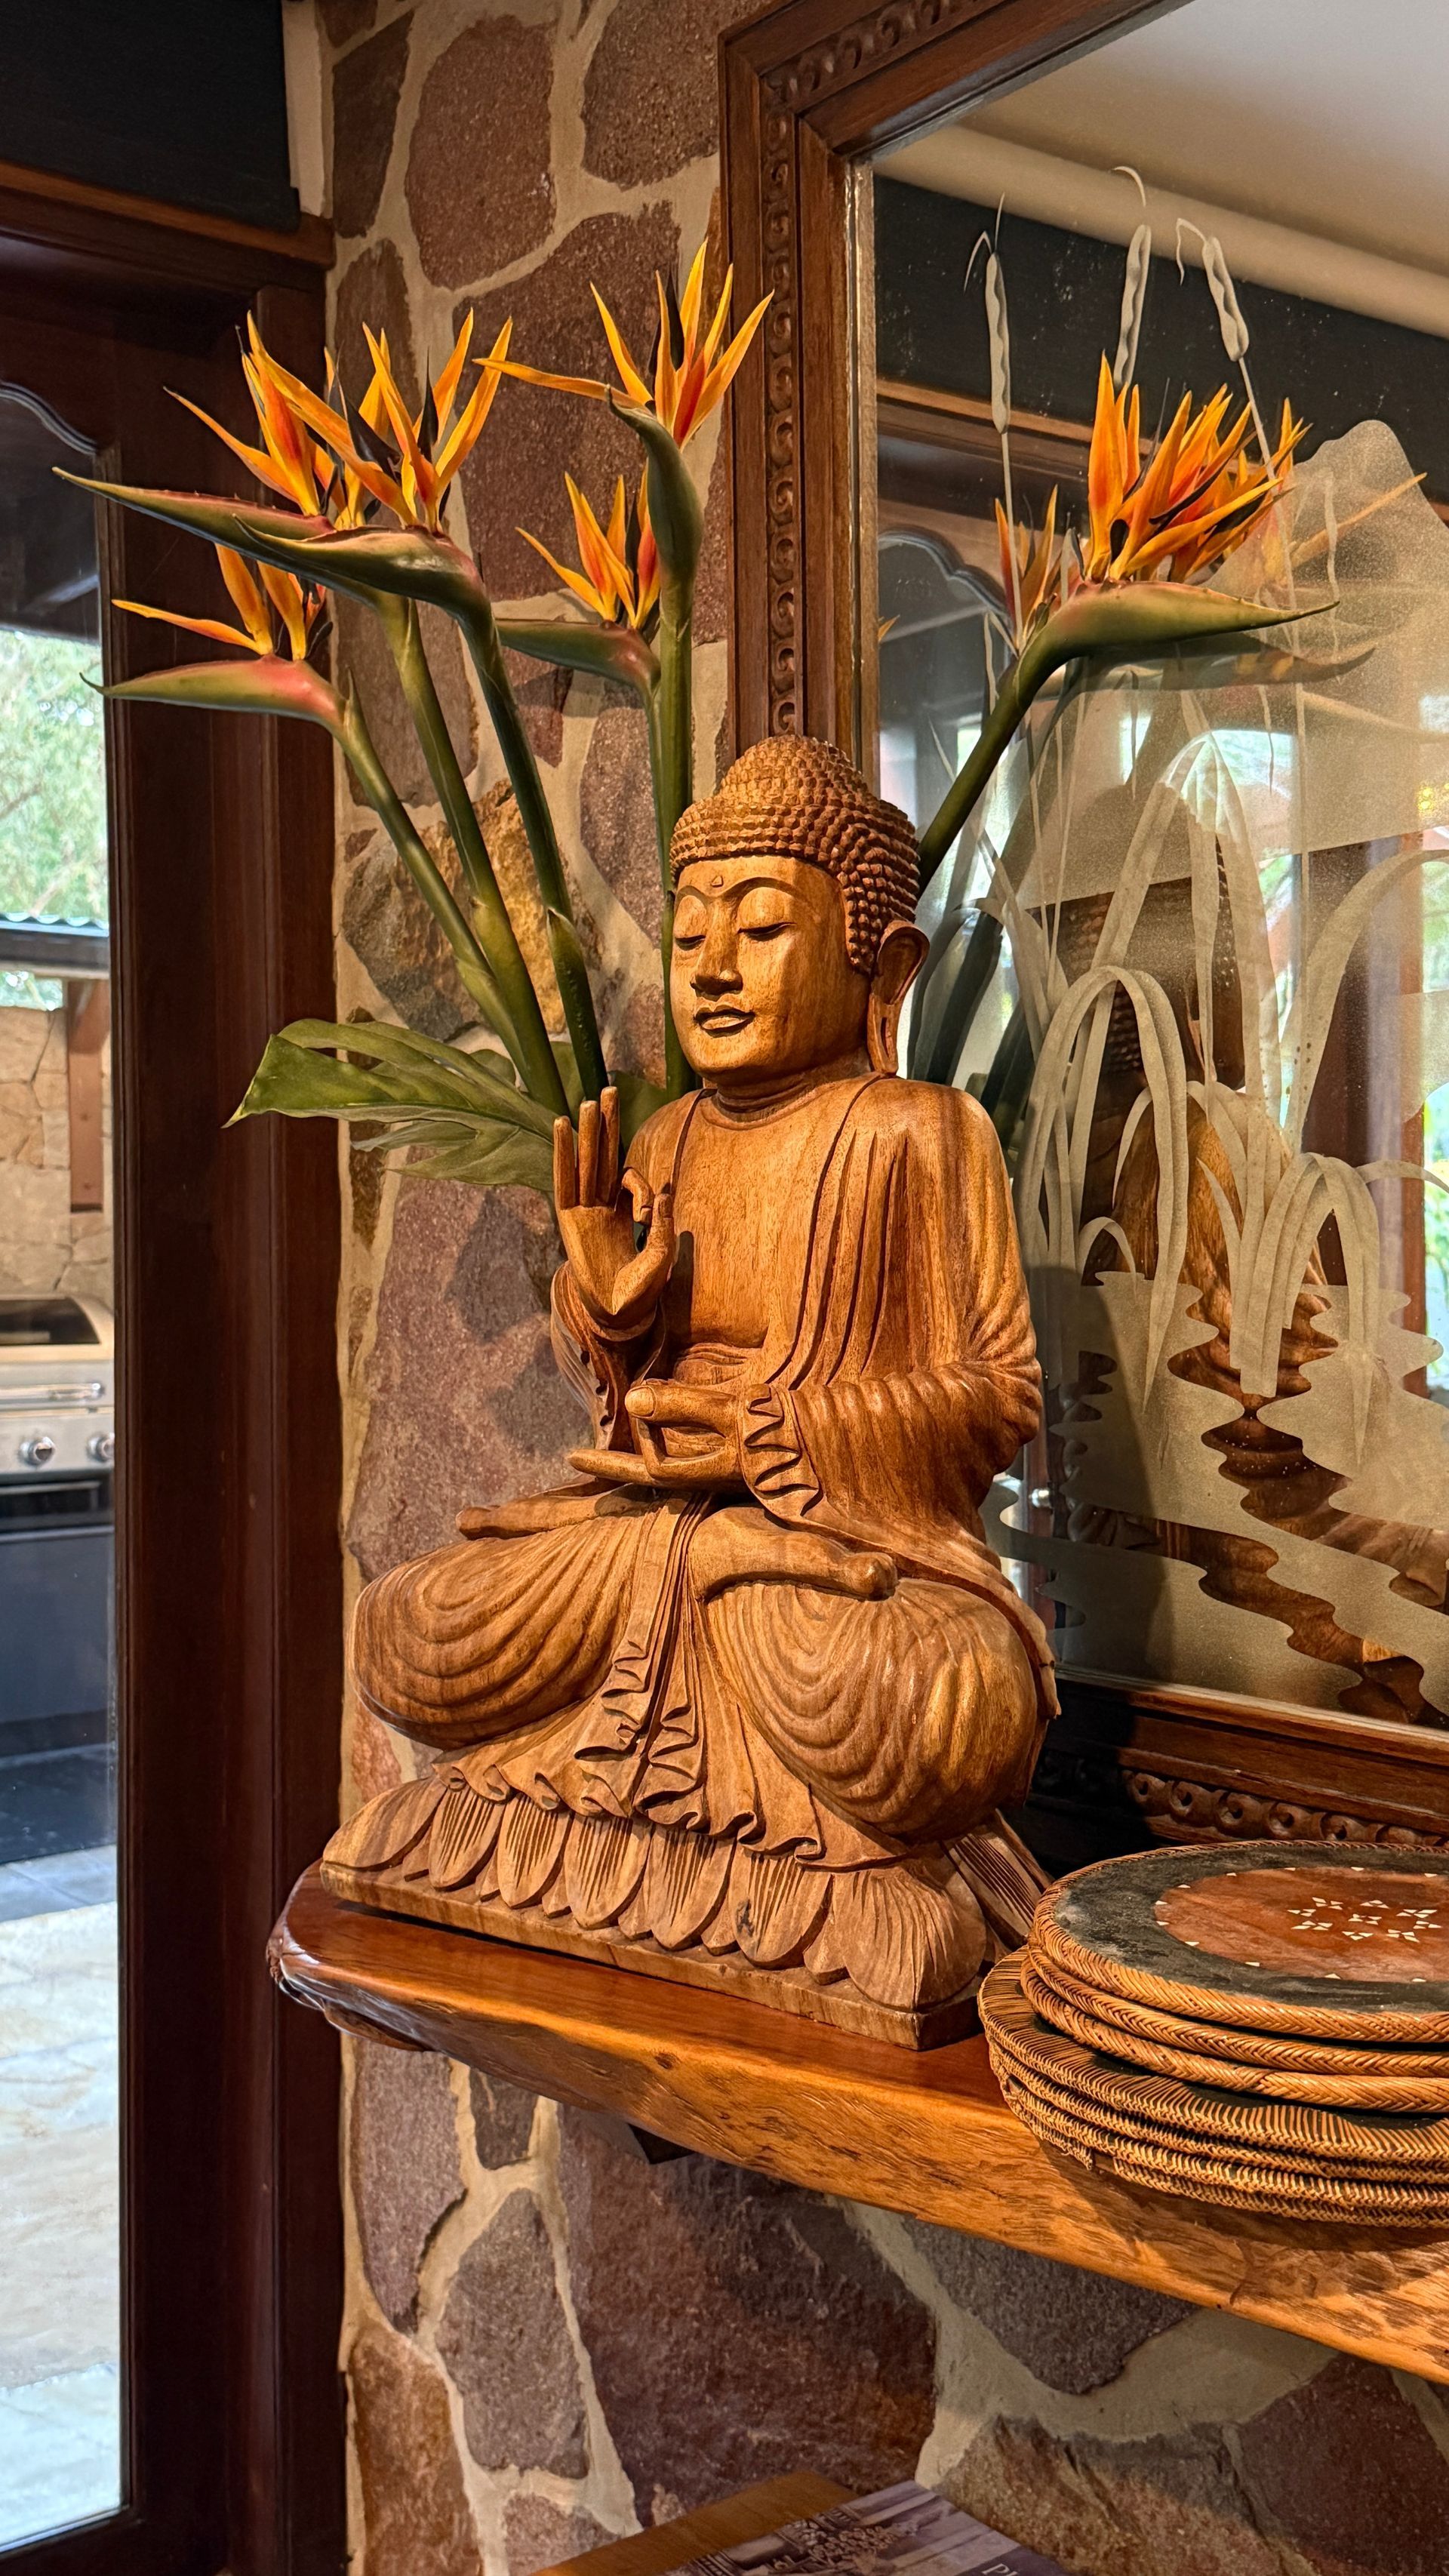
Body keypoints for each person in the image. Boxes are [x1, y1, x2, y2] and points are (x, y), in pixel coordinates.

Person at [338, 737, 1055, 2035]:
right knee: (403, 1628)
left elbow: (999, 1395)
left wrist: (780, 1433)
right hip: (656, 1545)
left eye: (763, 928)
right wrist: (609, 1315)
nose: (712, 968)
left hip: (833, 1566)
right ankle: (709, 1620)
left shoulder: (922, 1133)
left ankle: (660, 1755)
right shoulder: (667, 1139)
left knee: (946, 1710)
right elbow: (627, 1409)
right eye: (688, 938)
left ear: (883, 966)